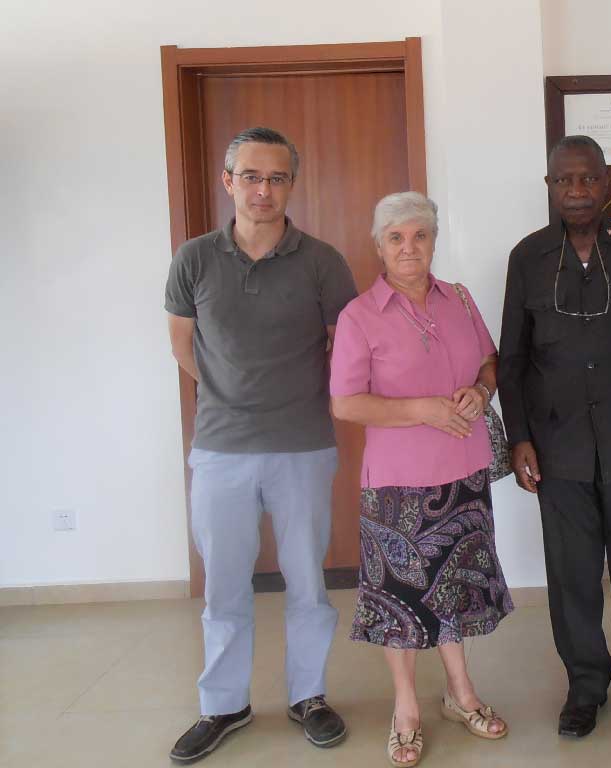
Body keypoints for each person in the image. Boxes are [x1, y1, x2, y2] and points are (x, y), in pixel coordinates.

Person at [165, 127, 356, 762]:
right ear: (229, 182)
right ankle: (223, 704)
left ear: (290, 186)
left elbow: (344, 348)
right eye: (250, 176)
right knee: (224, 586)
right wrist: (234, 392)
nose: (263, 189)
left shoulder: (323, 260)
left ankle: (310, 697)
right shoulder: (193, 259)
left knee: (306, 581)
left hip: (302, 445)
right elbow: (182, 346)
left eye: (276, 178)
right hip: (220, 446)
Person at [497, 135, 611, 742]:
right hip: (557, 447)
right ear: (550, 186)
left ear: (606, 182)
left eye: (587, 179)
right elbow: (513, 359)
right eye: (563, 181)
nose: (576, 190)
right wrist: (519, 440)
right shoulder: (527, 257)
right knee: (572, 574)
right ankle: (584, 686)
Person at [330, 191, 513, 767]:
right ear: (379, 246)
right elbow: (345, 404)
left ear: (433, 239)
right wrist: (423, 410)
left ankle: (461, 694)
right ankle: (406, 708)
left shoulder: (457, 298)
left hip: (464, 471)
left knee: (454, 587)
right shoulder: (359, 315)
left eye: (420, 235)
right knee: (400, 600)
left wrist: (480, 391)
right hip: (398, 484)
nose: (409, 248)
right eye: (396, 238)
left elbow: (491, 361)